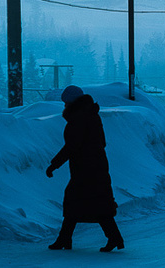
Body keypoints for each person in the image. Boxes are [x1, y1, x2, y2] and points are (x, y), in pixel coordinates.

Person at [46, 85, 124, 252]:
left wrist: (54, 164)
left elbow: (72, 146)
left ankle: (65, 239)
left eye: (66, 102)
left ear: (72, 102)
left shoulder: (79, 118)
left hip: (86, 169)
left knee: (77, 202)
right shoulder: (90, 115)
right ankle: (113, 238)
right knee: (97, 203)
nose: (64, 106)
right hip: (95, 166)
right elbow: (101, 142)